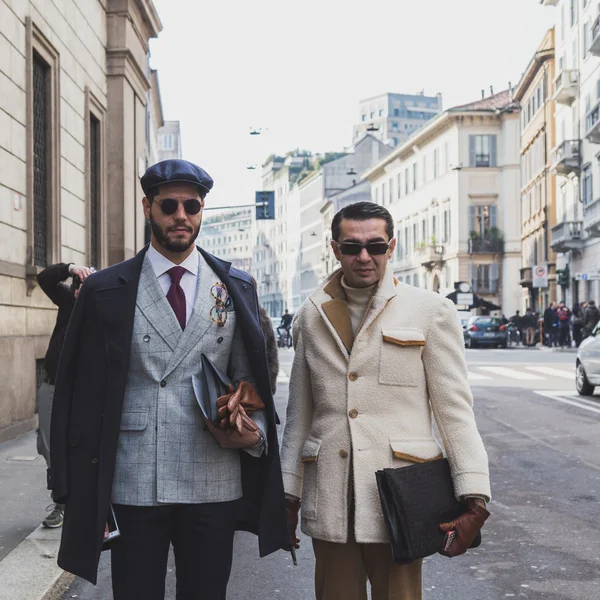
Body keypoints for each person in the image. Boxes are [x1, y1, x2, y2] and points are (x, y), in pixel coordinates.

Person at [49, 159, 288, 597]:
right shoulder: (105, 288)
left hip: (212, 475)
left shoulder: (235, 285)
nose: (181, 215)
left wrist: (247, 416)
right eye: (170, 205)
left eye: (192, 206)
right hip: (134, 476)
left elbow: (253, 380)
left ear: (202, 212)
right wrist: (71, 487)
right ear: (148, 208)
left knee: (205, 592)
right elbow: (74, 391)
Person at [280, 202, 490, 600]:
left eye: (375, 246)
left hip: (401, 496)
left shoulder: (431, 311)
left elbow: (455, 412)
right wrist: (287, 493)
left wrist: (474, 496)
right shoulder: (310, 315)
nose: (364, 257)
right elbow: (299, 414)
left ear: (391, 247)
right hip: (331, 495)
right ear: (334, 248)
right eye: (351, 246)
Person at [36, 263, 94, 528]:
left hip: (80, 393)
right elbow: (45, 278)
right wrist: (71, 268)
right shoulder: (67, 304)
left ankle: (72, 503)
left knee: (76, 447)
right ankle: (60, 498)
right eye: (79, 287)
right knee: (48, 447)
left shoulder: (100, 313)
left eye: (87, 287)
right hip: (52, 386)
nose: (81, 292)